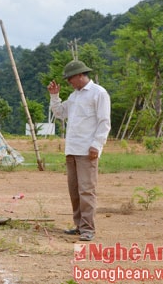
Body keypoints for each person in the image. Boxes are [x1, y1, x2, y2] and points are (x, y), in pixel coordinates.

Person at [47, 60, 111, 242]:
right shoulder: (74, 97)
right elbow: (60, 113)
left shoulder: (98, 93)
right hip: (72, 149)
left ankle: (88, 228)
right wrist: (54, 96)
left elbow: (104, 122)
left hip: (87, 149)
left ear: (80, 75)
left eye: (70, 79)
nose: (69, 82)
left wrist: (97, 145)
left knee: (86, 190)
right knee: (74, 190)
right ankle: (79, 225)